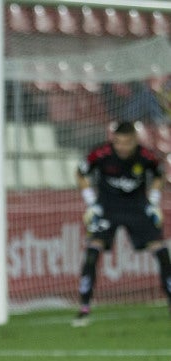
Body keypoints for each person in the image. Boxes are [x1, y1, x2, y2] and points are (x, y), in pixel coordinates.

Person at [73, 121, 171, 327]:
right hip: (107, 209)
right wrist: (91, 203)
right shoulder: (101, 153)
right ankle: (84, 307)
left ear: (135, 141)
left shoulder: (146, 156)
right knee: (92, 252)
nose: (122, 147)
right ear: (113, 141)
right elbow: (81, 173)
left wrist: (153, 202)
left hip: (137, 208)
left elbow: (159, 175)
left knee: (162, 252)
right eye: (118, 143)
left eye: (126, 143)